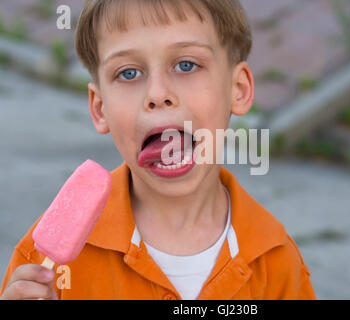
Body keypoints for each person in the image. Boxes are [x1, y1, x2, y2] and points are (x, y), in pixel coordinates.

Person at [1, 0, 315, 300]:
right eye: (128, 73)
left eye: (187, 65)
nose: (157, 94)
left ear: (238, 90)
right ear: (99, 108)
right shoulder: (43, 265)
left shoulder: (275, 262)